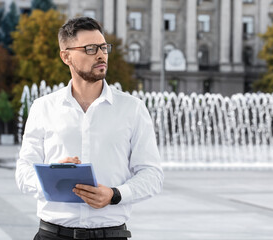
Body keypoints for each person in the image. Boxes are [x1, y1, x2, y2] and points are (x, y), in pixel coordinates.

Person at [15, 17, 164, 240]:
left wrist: (115, 194)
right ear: (66, 56)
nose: (101, 55)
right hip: (52, 234)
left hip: (111, 234)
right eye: (90, 49)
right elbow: (23, 170)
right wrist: (50, 176)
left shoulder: (132, 109)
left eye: (104, 47)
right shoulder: (43, 107)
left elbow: (152, 174)